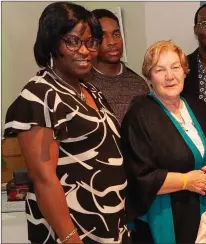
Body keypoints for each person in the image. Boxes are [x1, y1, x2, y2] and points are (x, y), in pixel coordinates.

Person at [3, 2, 129, 243]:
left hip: (109, 227)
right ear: (51, 43)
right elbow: (43, 179)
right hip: (73, 234)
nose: (84, 51)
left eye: (91, 42)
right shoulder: (40, 94)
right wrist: (71, 238)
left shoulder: (90, 90)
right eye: (73, 41)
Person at [120, 40, 206, 243]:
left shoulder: (198, 107)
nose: (169, 76)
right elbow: (140, 178)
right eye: (160, 70)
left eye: (175, 67)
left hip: (203, 209)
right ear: (149, 77)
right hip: (163, 215)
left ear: (185, 71)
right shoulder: (138, 116)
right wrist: (187, 181)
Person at [86, 9, 148, 122]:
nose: (112, 42)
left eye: (116, 34)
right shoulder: (82, 84)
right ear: (91, 41)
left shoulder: (138, 85)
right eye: (103, 36)